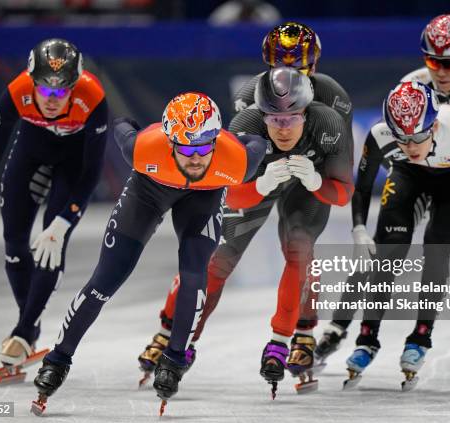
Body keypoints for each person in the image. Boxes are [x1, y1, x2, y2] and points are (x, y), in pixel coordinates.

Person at [138, 21, 355, 386]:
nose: (289, 76)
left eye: (299, 69)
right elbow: (228, 184)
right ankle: (174, 330)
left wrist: (318, 182)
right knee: (218, 257)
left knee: (301, 247)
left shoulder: (333, 101)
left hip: (308, 173)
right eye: (279, 67)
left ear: (314, 67)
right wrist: (261, 183)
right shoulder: (248, 100)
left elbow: (342, 173)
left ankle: (302, 330)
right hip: (261, 173)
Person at [30, 92, 265, 415]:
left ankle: (174, 358)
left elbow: (259, 140)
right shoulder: (142, 148)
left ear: (216, 142)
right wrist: (130, 124)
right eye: (185, 149)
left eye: (202, 148)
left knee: (195, 275)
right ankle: (57, 359)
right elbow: (123, 125)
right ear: (169, 143)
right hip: (149, 191)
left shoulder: (238, 160)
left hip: (205, 197)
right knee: (105, 281)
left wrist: (238, 137)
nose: (195, 158)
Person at [315, 13, 450, 370]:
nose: (439, 69)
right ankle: (341, 324)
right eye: (431, 59)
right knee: (383, 247)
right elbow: (388, 147)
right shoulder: (409, 86)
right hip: (413, 171)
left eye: (448, 61)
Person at [334, 81, 450, 391]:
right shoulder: (381, 133)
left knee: (437, 250)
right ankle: (367, 337)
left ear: (434, 124)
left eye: (419, 136)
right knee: (387, 252)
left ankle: (421, 335)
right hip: (409, 176)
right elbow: (364, 186)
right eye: (402, 138)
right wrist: (358, 229)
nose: (411, 146)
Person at [0, 38, 108, 384]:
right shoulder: (17, 92)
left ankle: (24, 331)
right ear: (32, 82)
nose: (53, 100)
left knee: (48, 245)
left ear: (75, 86)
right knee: (14, 243)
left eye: (62, 93)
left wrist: (63, 222)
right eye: (45, 91)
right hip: (30, 153)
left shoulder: (93, 97)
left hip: (71, 167)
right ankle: (29, 324)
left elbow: (90, 172)